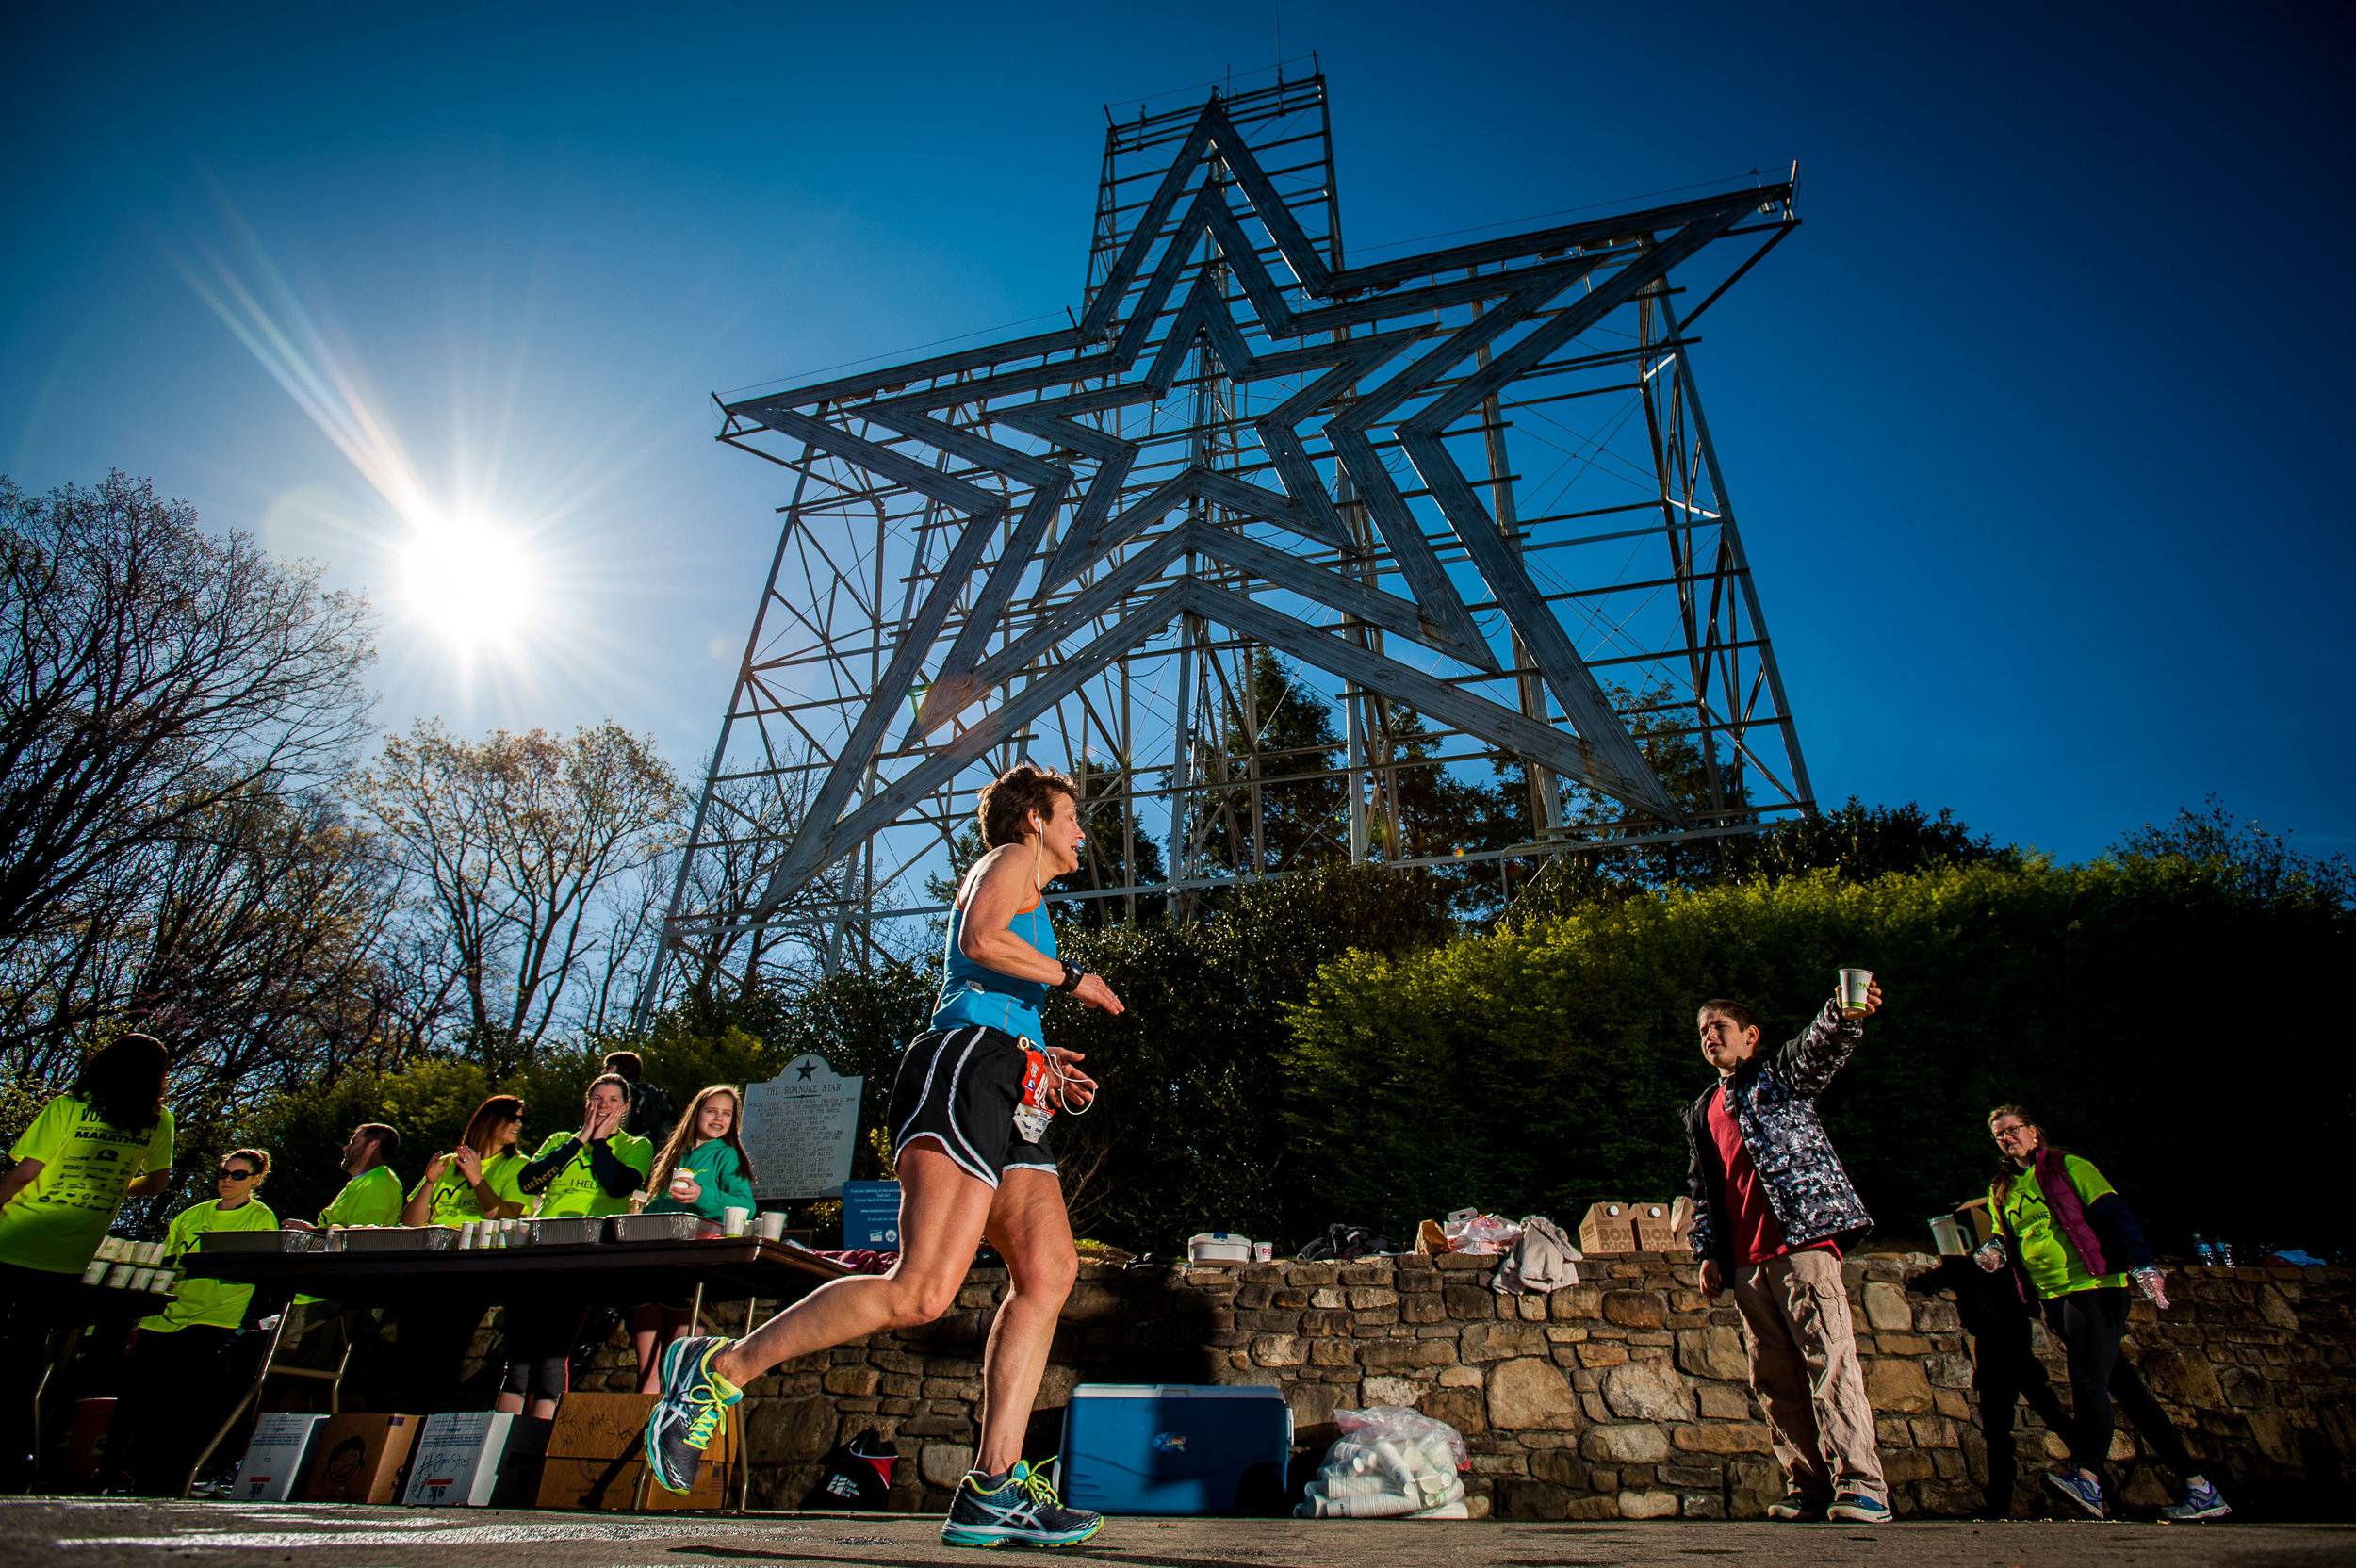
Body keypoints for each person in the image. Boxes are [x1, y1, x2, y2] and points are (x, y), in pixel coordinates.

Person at [642, 760, 1121, 1549]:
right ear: (1034, 819)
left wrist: (1044, 1056)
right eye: (1071, 816)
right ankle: (718, 1371)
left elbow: (989, 975)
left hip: (1006, 1079)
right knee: (922, 1292)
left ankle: (995, 1490)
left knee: (1048, 1270)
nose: (1081, 830)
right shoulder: (1010, 862)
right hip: (962, 1069)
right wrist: (1073, 979)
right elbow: (980, 940)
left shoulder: (1032, 887)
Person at [1684, 986, 1889, 1525]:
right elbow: (1706, 1187)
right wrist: (1708, 1251)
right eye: (1703, 1029)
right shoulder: (1703, 1108)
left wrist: (1842, 1012)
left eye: (1720, 1025)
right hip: (1748, 1263)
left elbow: (1816, 1049)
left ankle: (1862, 1485)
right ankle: (1809, 1486)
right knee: (1773, 1379)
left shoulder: (1776, 1080)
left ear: (1750, 1037)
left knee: (1829, 1361)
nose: (1710, 1034)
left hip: (1802, 1247)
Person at [1978, 1106, 2230, 1522]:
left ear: (2034, 1132)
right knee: (2131, 1393)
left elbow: (2114, 1214)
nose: (2007, 1138)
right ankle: (2200, 1489)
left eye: (2013, 1130)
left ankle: (2088, 1478)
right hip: (2054, 1297)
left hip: (2094, 1289)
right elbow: (2004, 1235)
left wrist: (2142, 1263)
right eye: (1999, 1135)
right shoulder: (2002, 1186)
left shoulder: (2070, 1167)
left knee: (2088, 1378)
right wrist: (1994, 1251)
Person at [0, 1034, 175, 1483]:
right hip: (69, 1253)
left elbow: (24, 1173)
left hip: (13, 1239)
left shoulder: (68, 1106)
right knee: (26, 1353)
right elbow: (157, 1183)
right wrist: (117, 1187)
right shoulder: (158, 1122)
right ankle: (12, 1454)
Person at [107, 1148, 279, 1494]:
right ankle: (111, 1474)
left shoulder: (260, 1218)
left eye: (238, 1175)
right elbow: (167, 1261)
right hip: (165, 1316)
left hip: (213, 1318)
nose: (227, 1180)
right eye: (224, 1173)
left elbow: (256, 1268)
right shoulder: (191, 1214)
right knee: (134, 1400)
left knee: (181, 1403)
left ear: (256, 1179)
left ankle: (164, 1482)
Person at [497, 1075, 651, 1419]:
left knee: (554, 1353)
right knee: (518, 1358)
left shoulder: (636, 1145)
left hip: (586, 1254)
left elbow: (618, 1186)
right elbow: (528, 1181)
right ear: (586, 1102)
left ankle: (537, 1443)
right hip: (540, 1249)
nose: (603, 1106)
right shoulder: (560, 1140)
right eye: (597, 1098)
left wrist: (598, 1144)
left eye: (613, 1100)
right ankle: (500, 1444)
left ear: (624, 1108)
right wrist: (579, 1139)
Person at [1906, 1205, 2071, 1518]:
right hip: (2000, 1342)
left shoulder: (1989, 1261)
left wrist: (1931, 1276)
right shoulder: (1991, 1260)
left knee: (2020, 1419)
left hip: (2004, 1341)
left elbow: (1950, 1275)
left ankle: (2080, 1473)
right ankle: (2001, 1502)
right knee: (2007, 1423)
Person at [630, 1085, 757, 1394]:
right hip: (655, 1258)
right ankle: (642, 1410)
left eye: (726, 1114)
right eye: (711, 1111)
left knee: (679, 1356)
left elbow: (746, 1206)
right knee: (645, 1361)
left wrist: (703, 1195)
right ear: (696, 1113)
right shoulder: (674, 1152)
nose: (718, 1118)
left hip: (695, 1263)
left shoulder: (728, 1155)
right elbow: (656, 1204)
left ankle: (677, 1408)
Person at [401, 1096, 529, 1229]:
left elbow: (506, 1221)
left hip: (480, 1246)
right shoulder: (447, 1162)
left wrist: (477, 1179)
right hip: (436, 1245)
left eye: (522, 1119)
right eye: (512, 1118)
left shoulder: (519, 1165)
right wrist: (429, 1183)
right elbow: (410, 1224)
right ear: (489, 1120)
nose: (519, 1124)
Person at [604, 1051, 677, 1151]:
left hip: (622, 1150)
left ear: (624, 1069)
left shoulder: (623, 1092)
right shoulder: (647, 1092)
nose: (603, 1072)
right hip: (647, 1151)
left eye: (608, 1068)